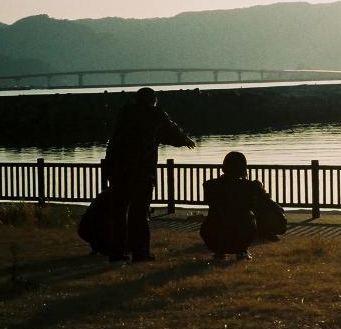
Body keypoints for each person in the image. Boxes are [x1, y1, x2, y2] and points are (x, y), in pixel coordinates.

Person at [105, 87, 195, 262]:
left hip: (118, 170)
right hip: (142, 171)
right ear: (153, 100)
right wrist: (184, 139)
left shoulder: (125, 114)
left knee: (119, 213)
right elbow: (171, 131)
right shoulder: (155, 115)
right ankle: (140, 253)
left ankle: (116, 252)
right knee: (139, 213)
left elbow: (115, 140)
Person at [201, 151, 276, 260]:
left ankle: (219, 252)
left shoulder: (209, 185)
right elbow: (252, 206)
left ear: (223, 167)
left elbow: (210, 203)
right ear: (243, 168)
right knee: (250, 216)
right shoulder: (250, 187)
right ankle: (242, 251)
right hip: (242, 235)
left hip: (213, 236)